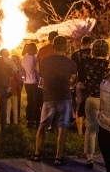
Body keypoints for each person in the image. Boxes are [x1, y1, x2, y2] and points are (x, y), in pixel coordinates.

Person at [31, 36, 77, 165]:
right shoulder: (71, 63)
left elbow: (41, 73)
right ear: (66, 47)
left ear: (53, 46)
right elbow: (73, 80)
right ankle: (58, 157)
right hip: (65, 96)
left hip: (49, 97)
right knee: (62, 127)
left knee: (42, 125)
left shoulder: (45, 61)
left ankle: (36, 154)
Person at [83, 39, 110, 168]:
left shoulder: (87, 64)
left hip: (91, 98)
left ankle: (89, 157)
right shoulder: (108, 65)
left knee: (91, 128)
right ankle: (107, 155)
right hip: (106, 99)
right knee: (106, 130)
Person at [72, 35, 94, 136]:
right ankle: (89, 129)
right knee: (91, 106)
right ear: (91, 43)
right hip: (91, 83)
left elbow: (73, 71)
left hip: (79, 82)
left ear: (82, 43)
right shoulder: (93, 54)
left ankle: (80, 131)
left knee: (79, 107)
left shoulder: (75, 55)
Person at [21, 42, 43, 128]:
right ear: (33, 49)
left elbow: (23, 72)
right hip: (34, 82)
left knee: (29, 102)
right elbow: (38, 70)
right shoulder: (34, 59)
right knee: (36, 102)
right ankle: (36, 121)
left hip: (27, 83)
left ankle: (29, 120)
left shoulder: (23, 59)